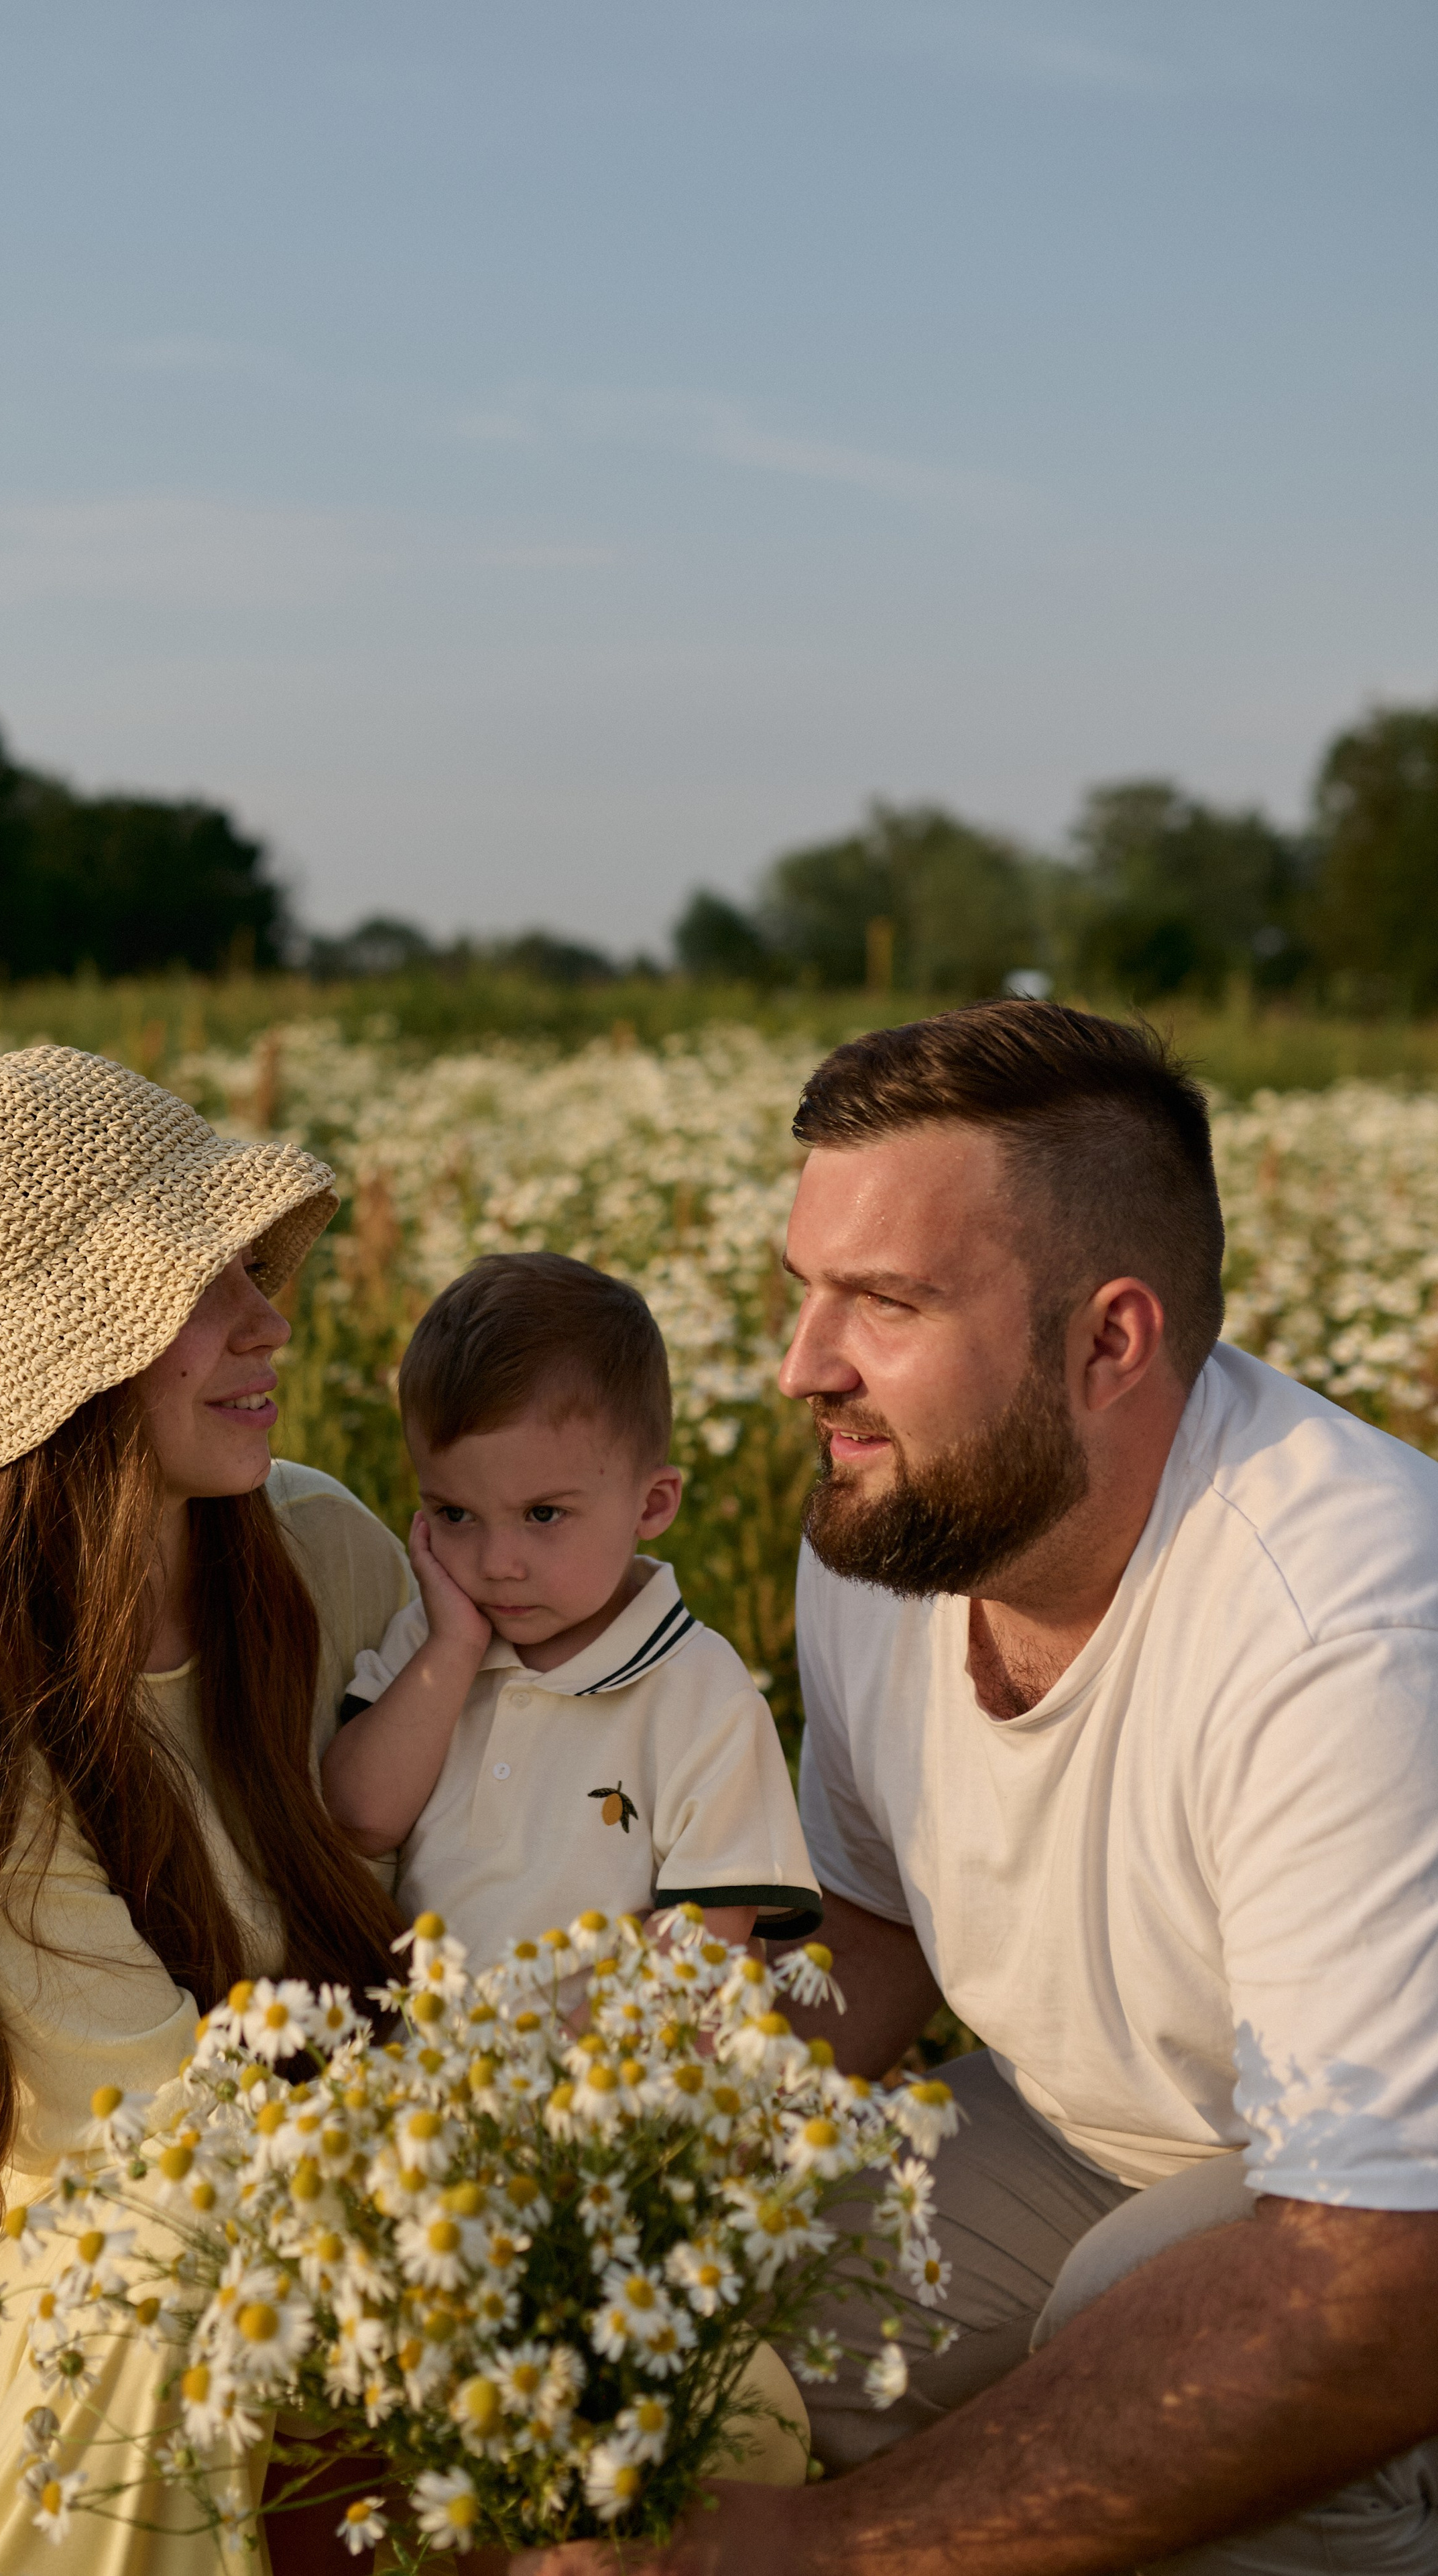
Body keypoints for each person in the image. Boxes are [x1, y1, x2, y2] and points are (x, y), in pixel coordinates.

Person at [505, 1002, 1438, 2576]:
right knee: (712, 2320)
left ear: (1107, 1341)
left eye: (882, 1301)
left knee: (1139, 2336)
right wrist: (608, 2164)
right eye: (804, 1291)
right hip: (1094, 2129)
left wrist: (825, 2548)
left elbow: (1379, 2282)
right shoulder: (887, 1529)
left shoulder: (1344, 1634)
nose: (803, 1368)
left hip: (1366, 2213)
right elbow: (868, 1930)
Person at [0, 1045, 411, 2576]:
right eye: (210, 1284)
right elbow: (167, 2157)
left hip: (356, 2209)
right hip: (36, 2298)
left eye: (258, 1269)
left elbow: (479, 1890)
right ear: (77, 1354)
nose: (275, 1320)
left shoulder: (321, 1555)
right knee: (175, 2306)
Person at [319, 1249, 821, 2487]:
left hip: (611, 2143)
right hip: (420, 2128)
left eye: (545, 1516)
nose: (496, 1562)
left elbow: (710, 1958)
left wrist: (585, 2113)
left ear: (653, 1503)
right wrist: (443, 1655)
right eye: (453, 1515)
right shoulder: (437, 1647)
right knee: (425, 2419)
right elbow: (359, 1813)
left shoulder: (697, 1692)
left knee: (610, 2416)